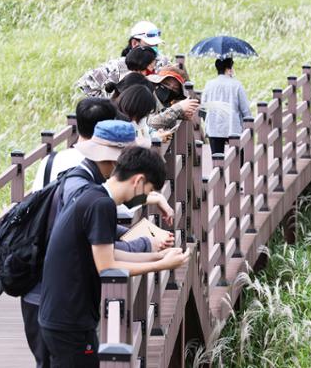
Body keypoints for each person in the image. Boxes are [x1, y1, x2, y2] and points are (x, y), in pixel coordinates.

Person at [23, 118, 174, 368]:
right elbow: (107, 266)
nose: (144, 195)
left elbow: (104, 249)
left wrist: (158, 257)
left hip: (56, 309)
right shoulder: (97, 201)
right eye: (146, 189)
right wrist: (154, 259)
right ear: (136, 178)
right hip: (66, 314)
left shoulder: (89, 189)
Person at [75, 21, 168, 97]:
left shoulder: (162, 62)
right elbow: (85, 82)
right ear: (135, 43)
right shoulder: (118, 66)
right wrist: (109, 105)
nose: (154, 50)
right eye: (150, 46)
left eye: (156, 45)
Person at [201, 57, 252, 154]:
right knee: (238, 161)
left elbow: (203, 107)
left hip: (214, 126)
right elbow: (245, 110)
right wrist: (248, 126)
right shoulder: (236, 85)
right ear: (229, 69)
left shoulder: (209, 84)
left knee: (217, 161)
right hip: (233, 127)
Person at [148, 65, 200, 134]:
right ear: (157, 83)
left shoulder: (167, 103)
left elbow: (164, 116)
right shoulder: (147, 96)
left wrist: (181, 115)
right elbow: (151, 123)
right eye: (166, 84)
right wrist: (179, 108)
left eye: (175, 88)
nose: (170, 89)